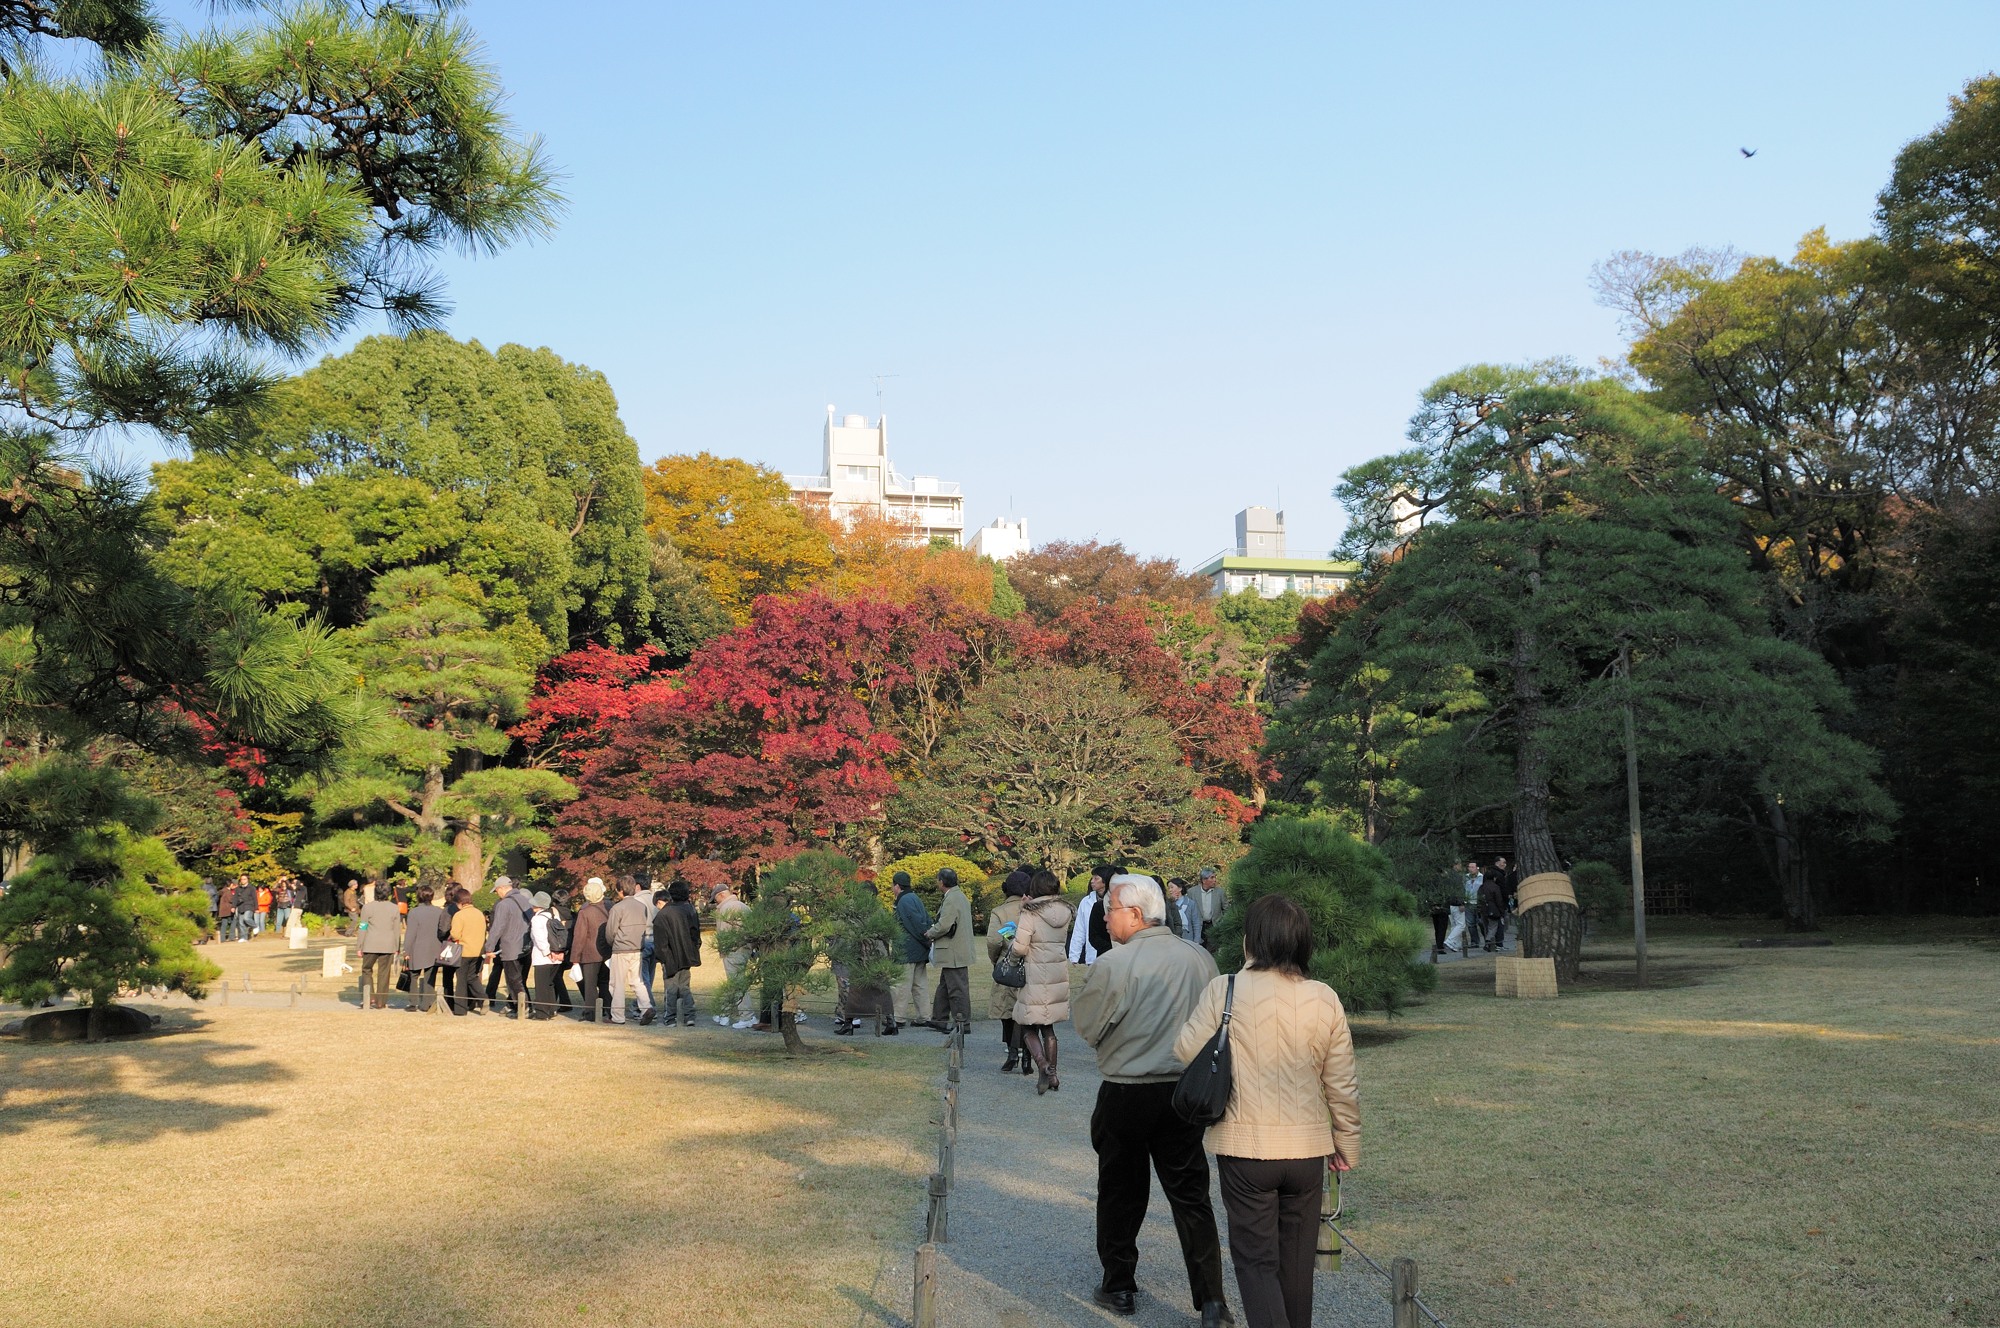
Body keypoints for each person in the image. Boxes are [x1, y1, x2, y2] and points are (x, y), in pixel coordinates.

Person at [1174, 894, 1360, 1328]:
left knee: (1257, 1263)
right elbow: (1342, 1084)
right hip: (1307, 1150)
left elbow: (1184, 1050)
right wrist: (1347, 1144)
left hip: (1246, 1149)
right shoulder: (1324, 997)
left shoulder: (1225, 989)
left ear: (1251, 939)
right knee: (1296, 1265)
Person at [1072, 874, 1227, 1323]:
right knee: (1191, 1195)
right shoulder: (1199, 958)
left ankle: (1119, 1285)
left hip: (1127, 1089)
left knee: (1120, 1190)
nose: (1105, 918)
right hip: (1185, 1092)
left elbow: (1088, 1028)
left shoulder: (1114, 964)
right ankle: (1212, 1300)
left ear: (1136, 915)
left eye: (1111, 909)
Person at [1011, 869, 1074, 1094]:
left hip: (1035, 973)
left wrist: (1023, 910)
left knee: (1028, 1026)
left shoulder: (1031, 912)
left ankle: (1043, 1064)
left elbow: (1019, 947)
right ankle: (1053, 1074)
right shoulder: (1065, 911)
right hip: (1056, 973)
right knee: (1048, 1027)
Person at [987, 869, 1030, 1071]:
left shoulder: (999, 912)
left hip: (1007, 964)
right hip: (1030, 964)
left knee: (1006, 1010)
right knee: (1026, 1010)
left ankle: (1012, 1052)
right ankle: (1026, 1052)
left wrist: (996, 959)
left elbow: (994, 941)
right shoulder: (1034, 909)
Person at [924, 867, 974, 1036]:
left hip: (954, 951)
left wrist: (930, 933)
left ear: (942, 882)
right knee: (945, 986)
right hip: (957, 950)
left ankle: (962, 1022)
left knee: (957, 989)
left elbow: (945, 925)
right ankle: (939, 1018)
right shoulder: (959, 896)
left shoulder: (952, 899)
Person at [651, 880, 703, 1027]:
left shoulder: (663, 914)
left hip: (669, 957)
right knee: (684, 986)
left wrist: (662, 957)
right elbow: (695, 935)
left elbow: (660, 941)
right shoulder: (690, 910)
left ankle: (670, 1017)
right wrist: (693, 950)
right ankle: (689, 1015)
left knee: (671, 988)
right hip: (687, 954)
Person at [605, 879, 655, 1025]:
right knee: (637, 981)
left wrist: (613, 944)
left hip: (621, 949)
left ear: (620, 890)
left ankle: (618, 1016)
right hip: (638, 948)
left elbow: (610, 932)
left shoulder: (617, 908)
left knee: (617, 984)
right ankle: (646, 1007)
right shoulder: (641, 906)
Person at [482, 876, 532, 1017]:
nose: (497, 894)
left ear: (502, 888)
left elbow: (497, 928)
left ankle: (524, 1009)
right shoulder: (525, 899)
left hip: (511, 947)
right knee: (521, 980)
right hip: (526, 946)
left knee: (514, 981)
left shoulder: (503, 904)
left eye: (497, 890)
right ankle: (518, 1007)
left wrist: (489, 948)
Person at [891, 872, 931, 1028]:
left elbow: (914, 924)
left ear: (897, 885)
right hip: (920, 950)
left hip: (907, 950)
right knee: (920, 985)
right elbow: (926, 920)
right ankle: (924, 1016)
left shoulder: (904, 900)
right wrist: (926, 942)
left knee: (901, 985)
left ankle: (898, 1017)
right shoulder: (915, 897)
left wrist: (924, 938)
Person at [712, 884, 755, 1028]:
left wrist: (723, 951)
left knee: (737, 983)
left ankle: (747, 1016)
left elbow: (724, 934)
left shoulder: (725, 909)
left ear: (721, 895)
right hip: (745, 948)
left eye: (715, 899)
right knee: (735, 982)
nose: (715, 903)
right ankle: (724, 1013)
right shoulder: (744, 906)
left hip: (733, 950)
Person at [570, 877, 612, 1022]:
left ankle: (591, 1013)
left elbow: (579, 937)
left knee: (590, 985)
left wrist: (575, 958)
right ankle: (610, 1010)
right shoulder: (609, 908)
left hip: (589, 953)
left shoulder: (584, 912)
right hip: (606, 952)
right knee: (605, 983)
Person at [356, 884, 403, 1010]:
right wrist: (397, 946)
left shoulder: (367, 907)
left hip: (370, 944)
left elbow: (363, 927)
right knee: (384, 973)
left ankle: (370, 996)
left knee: (366, 970)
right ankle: (381, 1002)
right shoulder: (394, 908)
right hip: (388, 945)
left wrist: (359, 946)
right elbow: (396, 930)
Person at [402, 884, 446, 1012]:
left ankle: (413, 1003)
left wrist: (406, 950)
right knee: (430, 977)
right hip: (434, 948)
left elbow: (410, 933)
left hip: (417, 948)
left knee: (413, 976)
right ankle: (427, 1003)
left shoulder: (414, 912)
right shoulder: (439, 911)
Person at [446, 887, 487, 1015]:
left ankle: (460, 1009)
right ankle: (483, 998)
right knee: (472, 977)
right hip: (478, 951)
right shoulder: (479, 913)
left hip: (464, 951)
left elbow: (455, 935)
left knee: (461, 980)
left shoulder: (459, 915)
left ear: (459, 902)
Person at [527, 891, 566, 1020]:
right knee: (550, 984)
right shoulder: (554, 917)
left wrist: (546, 952)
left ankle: (542, 1013)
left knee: (541, 986)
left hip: (543, 957)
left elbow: (539, 938)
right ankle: (552, 1009)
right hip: (556, 956)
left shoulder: (537, 919)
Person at [1069, 864, 1115, 965]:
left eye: (1096, 878)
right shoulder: (1086, 901)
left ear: (1105, 880)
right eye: (1092, 878)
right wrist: (1074, 957)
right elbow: (1079, 930)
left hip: (1113, 956)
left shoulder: (1116, 900)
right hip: (1091, 957)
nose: (1092, 881)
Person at [1442, 861, 1481, 956]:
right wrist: (1461, 903)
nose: (1461, 867)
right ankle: (1450, 941)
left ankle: (1456, 945)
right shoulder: (1457, 877)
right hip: (1456, 903)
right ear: (1456, 865)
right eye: (1459, 865)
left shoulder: (1447, 876)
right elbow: (1459, 891)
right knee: (1461, 925)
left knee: (1454, 925)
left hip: (1450, 903)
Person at [1195, 866, 1226, 952]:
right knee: (1200, 951)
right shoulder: (1192, 892)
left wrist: (1222, 923)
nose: (1215, 880)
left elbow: (1226, 909)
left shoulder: (1220, 892)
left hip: (1214, 925)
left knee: (1213, 951)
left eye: (1215, 877)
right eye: (1212, 878)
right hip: (1199, 926)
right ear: (1204, 880)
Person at [1169, 880, 1203, 947]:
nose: (1170, 890)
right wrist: (1172, 902)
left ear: (1180, 888)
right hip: (1173, 939)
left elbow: (1196, 923)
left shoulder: (1190, 903)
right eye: (1169, 888)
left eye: (1171, 887)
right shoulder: (1168, 904)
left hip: (1188, 939)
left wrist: (1196, 941)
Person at [215, 875, 238, 943]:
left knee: (224, 924)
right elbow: (231, 900)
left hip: (222, 910)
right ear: (230, 884)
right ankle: (231, 936)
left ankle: (222, 938)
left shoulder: (222, 891)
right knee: (233, 922)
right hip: (228, 909)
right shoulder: (228, 892)